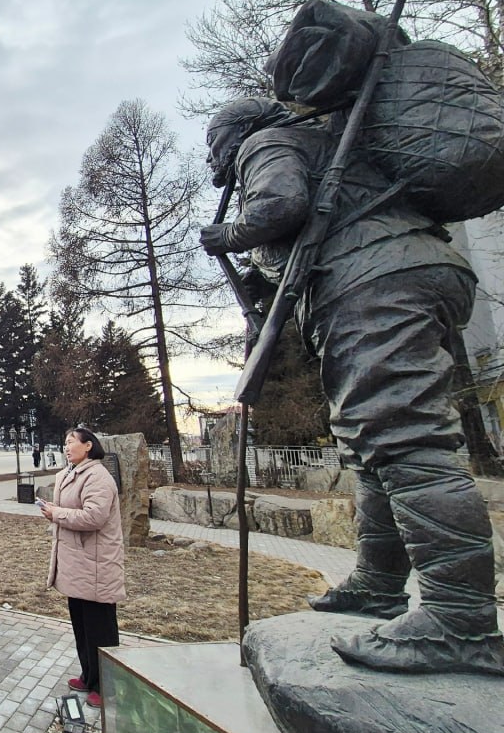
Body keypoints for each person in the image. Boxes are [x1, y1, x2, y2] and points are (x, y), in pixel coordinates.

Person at [201, 97, 504, 675]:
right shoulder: (324, 147)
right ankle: (379, 584)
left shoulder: (266, 144)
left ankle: (460, 619)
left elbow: (279, 204)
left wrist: (230, 234)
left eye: (216, 145)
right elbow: (305, 231)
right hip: (398, 273)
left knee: (404, 437)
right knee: (371, 442)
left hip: (375, 280)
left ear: (231, 137)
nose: (216, 158)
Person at [40, 428, 125, 708]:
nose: (66, 447)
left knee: (100, 629)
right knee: (82, 626)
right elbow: (71, 509)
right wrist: (54, 508)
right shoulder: (71, 473)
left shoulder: (98, 476)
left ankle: (107, 686)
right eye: (64, 442)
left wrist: (58, 513)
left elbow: (94, 516)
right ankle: (89, 675)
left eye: (71, 442)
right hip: (77, 564)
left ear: (88, 446)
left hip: (96, 566)